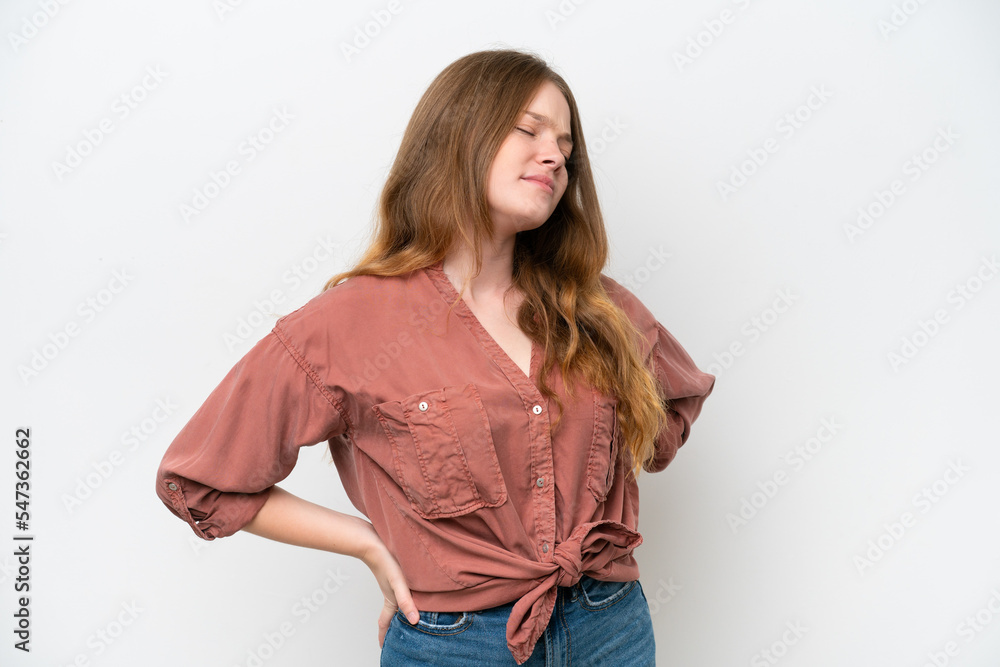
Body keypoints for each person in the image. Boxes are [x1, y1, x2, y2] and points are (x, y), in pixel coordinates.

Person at [155, 48, 715, 666]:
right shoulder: (349, 323)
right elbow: (201, 482)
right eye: (528, 130)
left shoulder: (601, 308)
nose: (555, 156)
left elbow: (668, 419)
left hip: (611, 628)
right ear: (459, 135)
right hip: (454, 645)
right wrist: (370, 543)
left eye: (566, 145)